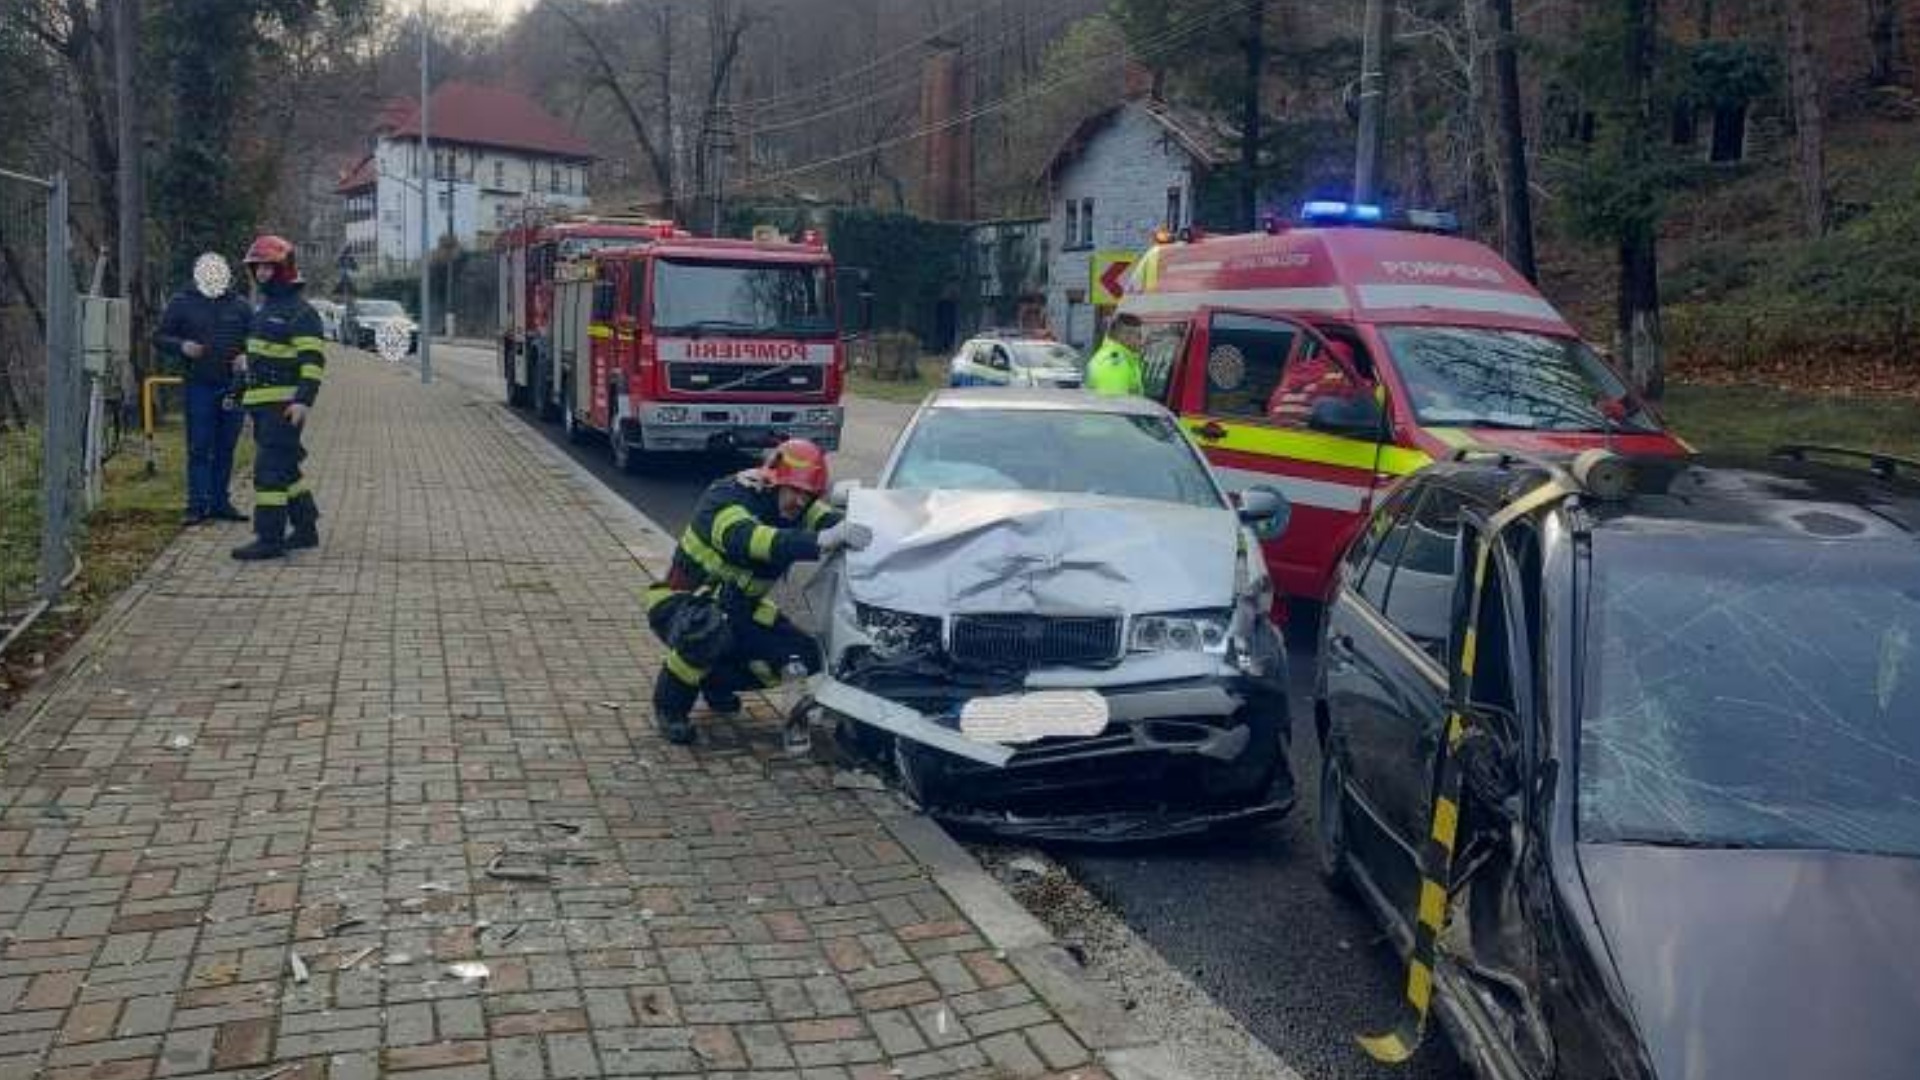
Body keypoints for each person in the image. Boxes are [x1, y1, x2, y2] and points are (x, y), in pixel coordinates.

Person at [642, 439, 871, 745]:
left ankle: (715, 681)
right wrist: (820, 541)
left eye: (808, 495)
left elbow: (831, 522)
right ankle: (670, 708)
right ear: (775, 482)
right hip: (680, 603)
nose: (800, 502)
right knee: (709, 631)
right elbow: (748, 539)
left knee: (805, 656)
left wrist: (861, 526)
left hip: (739, 609)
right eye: (795, 491)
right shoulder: (728, 497)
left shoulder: (798, 507)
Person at [231, 234, 327, 562]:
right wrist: (244, 367)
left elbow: (312, 363)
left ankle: (268, 538)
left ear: (284, 269)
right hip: (262, 405)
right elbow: (261, 352)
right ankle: (305, 528)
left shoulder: (301, 313)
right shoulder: (265, 309)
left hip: (284, 407)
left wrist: (303, 401)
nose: (261, 274)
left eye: (268, 268)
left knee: (269, 472)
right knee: (285, 469)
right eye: (257, 268)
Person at [153, 253, 252, 525]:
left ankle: (220, 501)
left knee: (226, 446)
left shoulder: (241, 305)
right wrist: (181, 346)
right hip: (199, 385)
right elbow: (159, 337)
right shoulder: (181, 302)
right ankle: (197, 505)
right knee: (199, 446)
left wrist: (248, 355)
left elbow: (256, 338)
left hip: (233, 386)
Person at [1085, 313, 1146, 396]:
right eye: (1139, 336)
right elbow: (1116, 404)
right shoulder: (1116, 365)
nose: (1141, 342)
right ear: (1127, 336)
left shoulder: (1108, 356)